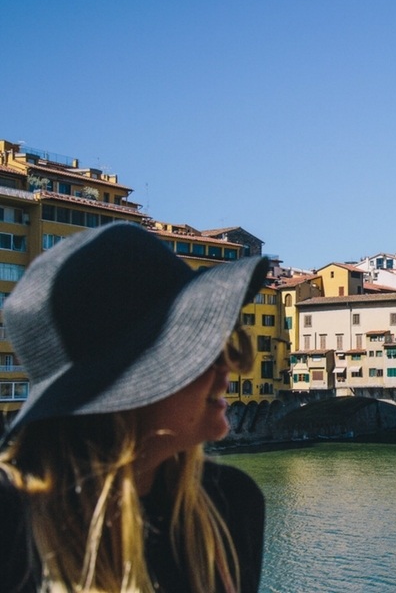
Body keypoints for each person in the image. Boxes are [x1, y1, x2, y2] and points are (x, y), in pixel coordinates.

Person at [0, 222, 268, 592]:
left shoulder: (233, 504)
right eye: (197, 348)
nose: (228, 368)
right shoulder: (10, 520)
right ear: (133, 379)